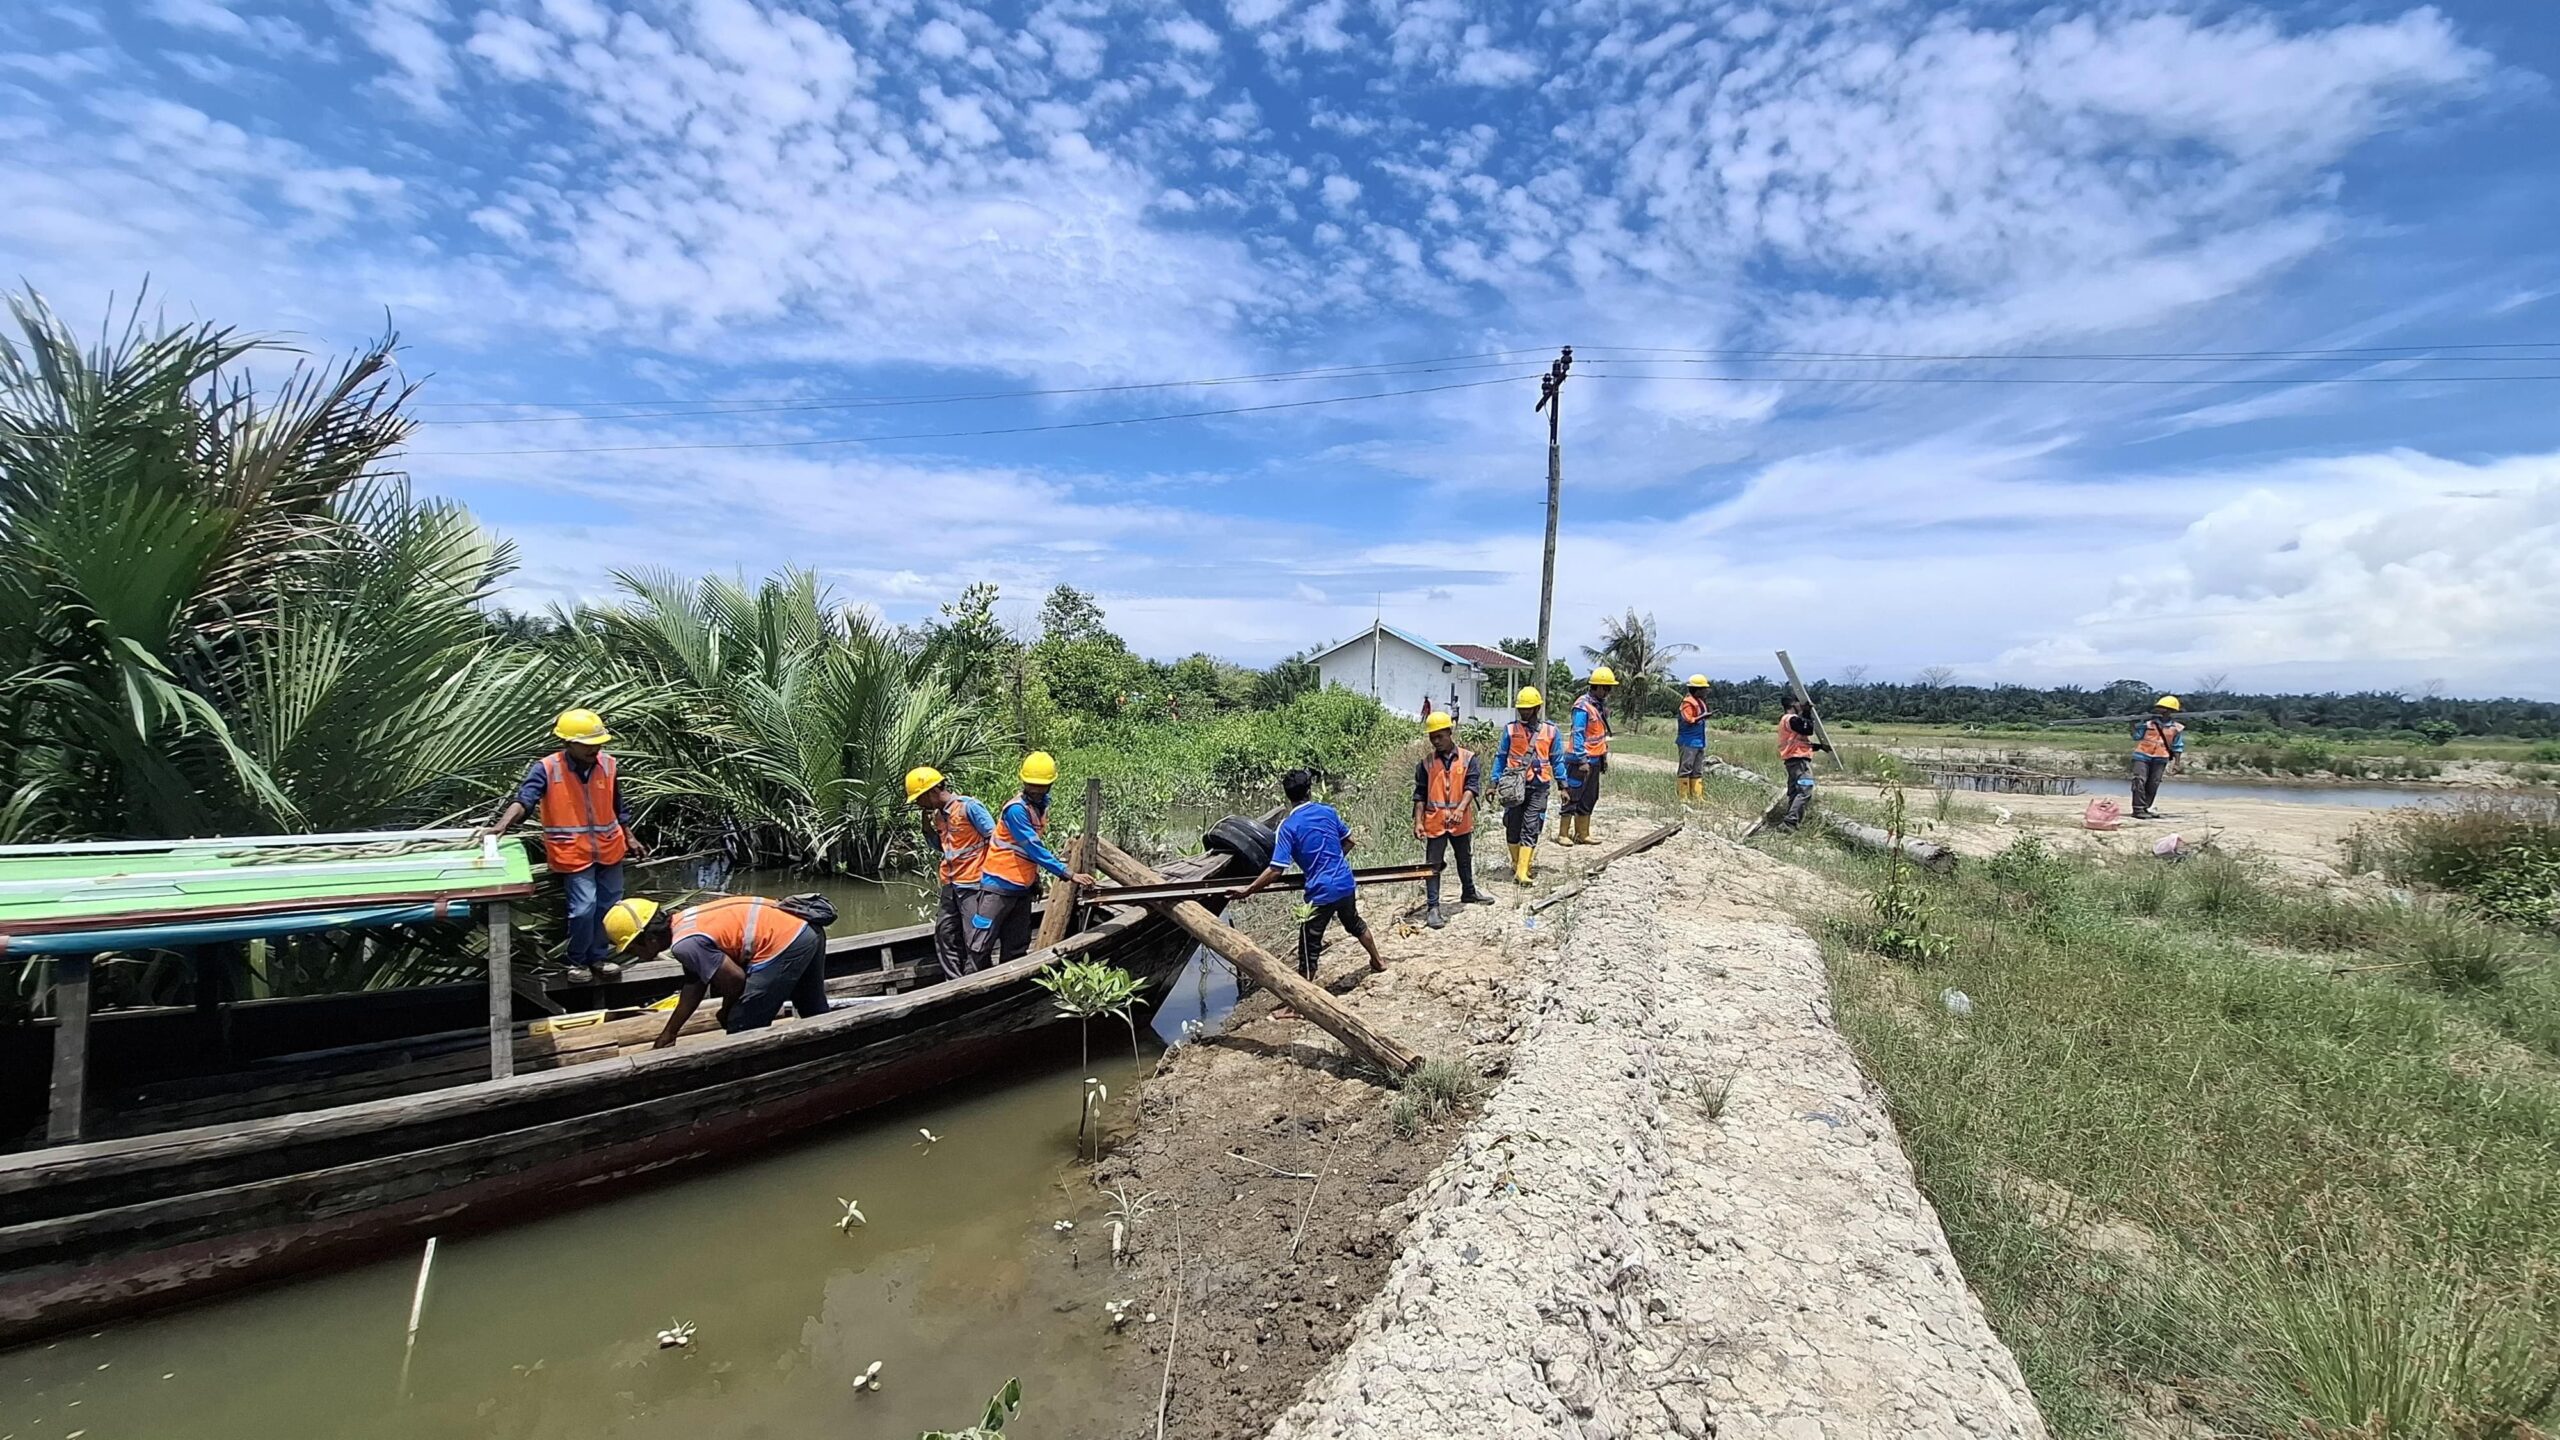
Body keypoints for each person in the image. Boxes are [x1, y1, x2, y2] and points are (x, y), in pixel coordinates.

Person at [483, 707, 647, 983]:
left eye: (598, 744)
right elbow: (525, 800)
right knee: (584, 908)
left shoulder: (608, 764)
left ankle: (599, 957)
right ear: (568, 743)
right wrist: (503, 824)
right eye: (587, 745)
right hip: (573, 852)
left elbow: (619, 805)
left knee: (608, 907)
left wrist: (630, 835)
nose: (594, 750)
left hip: (609, 848)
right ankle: (576, 961)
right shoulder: (547, 768)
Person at [607, 896, 827, 1048]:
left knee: (742, 1024)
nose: (636, 955)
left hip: (786, 941)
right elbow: (694, 985)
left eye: (634, 948)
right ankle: (827, 1048)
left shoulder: (685, 945)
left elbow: (735, 981)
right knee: (812, 1008)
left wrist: (727, 1011)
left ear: (650, 938)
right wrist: (670, 1032)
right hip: (807, 929)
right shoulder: (684, 922)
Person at [1236, 768, 1385, 984]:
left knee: (1308, 945)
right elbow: (1350, 841)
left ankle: (1298, 1005)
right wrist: (1332, 860)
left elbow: (1276, 869)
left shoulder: (1287, 827)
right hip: (1345, 883)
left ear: (1287, 795)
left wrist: (1248, 890)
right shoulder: (1328, 812)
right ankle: (1378, 961)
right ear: (1309, 790)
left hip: (1321, 892)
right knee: (1355, 924)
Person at [970, 751, 1098, 967]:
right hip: (998, 885)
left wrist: (1035, 880)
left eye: (1041, 786)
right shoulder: (1016, 810)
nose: (1037, 790)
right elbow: (1032, 847)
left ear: (1050, 785)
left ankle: (1010, 988)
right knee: (980, 945)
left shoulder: (1040, 807)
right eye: (1032, 785)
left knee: (1017, 946)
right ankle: (970, 988)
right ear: (1023, 782)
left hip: (1022, 888)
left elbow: (1028, 853)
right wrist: (1068, 873)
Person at [906, 766, 992, 980]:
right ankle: (953, 980)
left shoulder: (969, 807)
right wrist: (926, 828)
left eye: (919, 798)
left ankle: (977, 979)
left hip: (974, 883)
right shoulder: (939, 816)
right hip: (951, 883)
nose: (918, 804)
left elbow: (995, 839)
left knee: (975, 937)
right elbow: (943, 847)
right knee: (945, 933)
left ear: (932, 791)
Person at [1412, 713, 1491, 927]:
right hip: (1435, 822)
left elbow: (1472, 787)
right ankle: (1433, 907)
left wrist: (1460, 808)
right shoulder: (1426, 764)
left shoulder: (1468, 758)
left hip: (1460, 821)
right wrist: (1418, 822)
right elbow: (1419, 795)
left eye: (1440, 736)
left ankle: (1469, 892)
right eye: (1432, 737)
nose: (1436, 741)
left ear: (1450, 732)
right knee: (1433, 865)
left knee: (1464, 858)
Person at [1493, 686, 1559, 884]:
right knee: (1512, 826)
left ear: (1537, 708)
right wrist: (1492, 782)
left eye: (1528, 709)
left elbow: (1557, 760)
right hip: (1514, 785)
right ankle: (1517, 863)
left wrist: (1563, 785)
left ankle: (1523, 871)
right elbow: (1501, 757)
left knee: (1531, 826)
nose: (1524, 712)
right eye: (1521, 709)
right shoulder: (1510, 729)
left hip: (1538, 786)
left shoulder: (1550, 730)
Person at [1558, 666, 1616, 845]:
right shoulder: (1583, 706)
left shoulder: (1598, 706)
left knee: (1590, 796)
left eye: (1609, 689)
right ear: (1596, 687)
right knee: (1572, 795)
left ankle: (1582, 833)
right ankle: (1563, 834)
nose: (1608, 692)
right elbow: (1578, 733)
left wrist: (1602, 757)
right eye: (1606, 688)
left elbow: (1598, 734)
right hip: (1580, 761)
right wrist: (1582, 759)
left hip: (1595, 758)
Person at [1775, 697, 1831, 830]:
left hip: (1793, 761)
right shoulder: (1791, 719)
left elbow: (1801, 741)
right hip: (1799, 762)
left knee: (1795, 792)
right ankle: (1790, 823)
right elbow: (1808, 729)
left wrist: (1819, 747)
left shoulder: (1787, 720)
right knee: (1805, 790)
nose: (1801, 705)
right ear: (1793, 705)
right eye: (1799, 703)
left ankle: (1791, 821)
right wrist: (1806, 712)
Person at [2131, 695, 2186, 819]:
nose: (2159, 710)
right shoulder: (2148, 723)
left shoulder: (2176, 728)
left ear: (2169, 711)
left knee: (2153, 783)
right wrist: (2133, 725)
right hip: (2142, 755)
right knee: (2139, 780)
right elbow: (2136, 737)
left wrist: (2176, 763)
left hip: (2161, 757)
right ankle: (2138, 809)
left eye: (2163, 708)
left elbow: (2178, 746)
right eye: (2159, 708)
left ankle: (2146, 807)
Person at [1675, 676, 1713, 801]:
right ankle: (1683, 797)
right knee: (1686, 768)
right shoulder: (1687, 703)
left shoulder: (1699, 701)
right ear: (1697, 690)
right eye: (1704, 689)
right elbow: (1688, 719)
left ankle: (1697, 797)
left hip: (1699, 741)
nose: (1706, 692)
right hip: (1688, 741)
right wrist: (1702, 717)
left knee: (1697, 770)